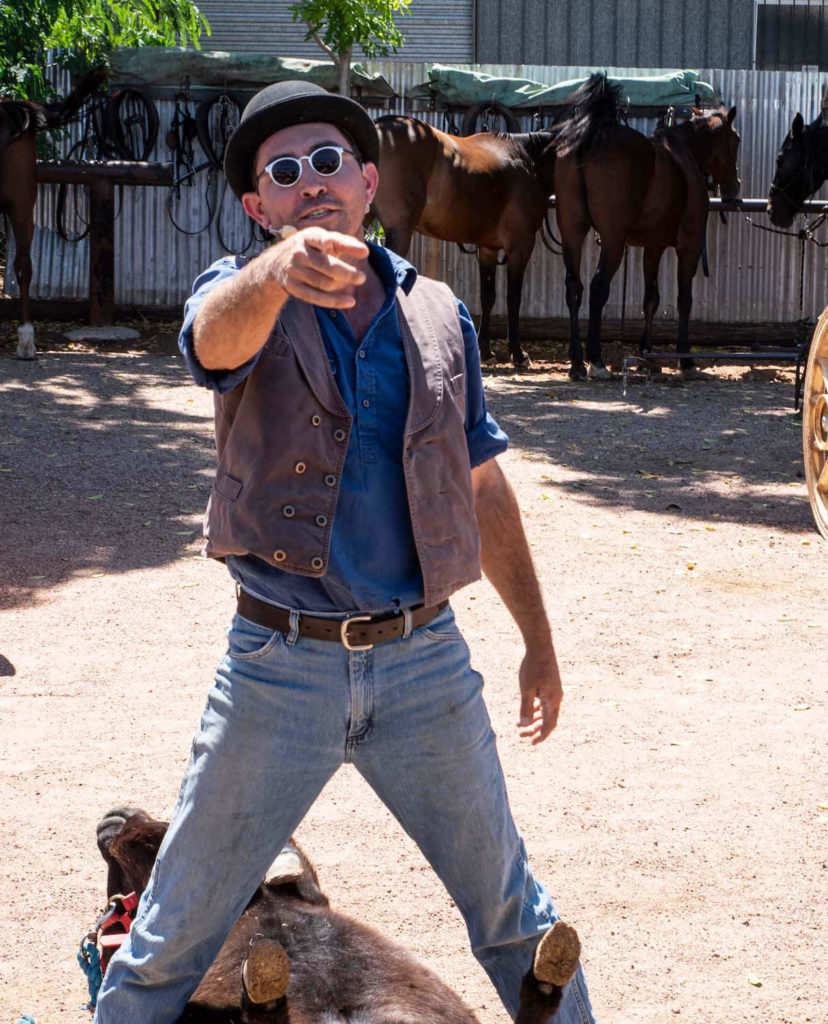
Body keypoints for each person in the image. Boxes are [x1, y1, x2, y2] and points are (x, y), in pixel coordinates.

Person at [93, 80, 596, 1024]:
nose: (310, 183)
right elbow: (210, 339)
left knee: (517, 922)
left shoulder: (441, 315)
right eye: (284, 174)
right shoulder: (237, 291)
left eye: (329, 163)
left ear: (369, 182)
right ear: (259, 206)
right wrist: (278, 271)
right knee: (168, 942)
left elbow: (482, 486)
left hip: (426, 663)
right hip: (280, 668)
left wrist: (538, 640)